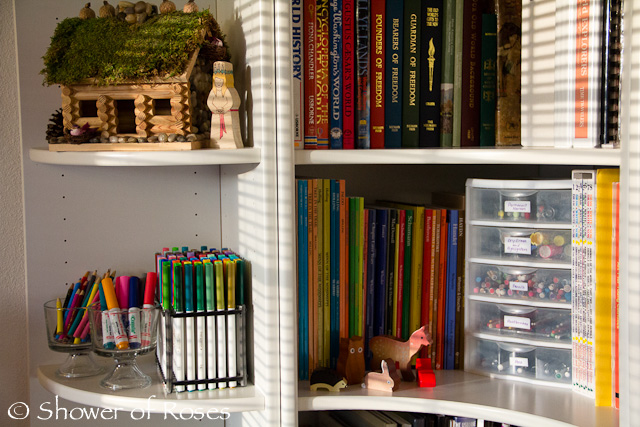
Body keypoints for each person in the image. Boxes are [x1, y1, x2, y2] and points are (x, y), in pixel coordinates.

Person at [207, 61, 243, 149]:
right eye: (217, 81)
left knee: (230, 131)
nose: (218, 84)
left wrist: (223, 108)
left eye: (220, 81)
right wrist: (216, 109)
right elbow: (210, 102)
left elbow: (232, 101)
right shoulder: (213, 92)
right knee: (216, 131)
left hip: (227, 114)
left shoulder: (229, 91)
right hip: (216, 114)